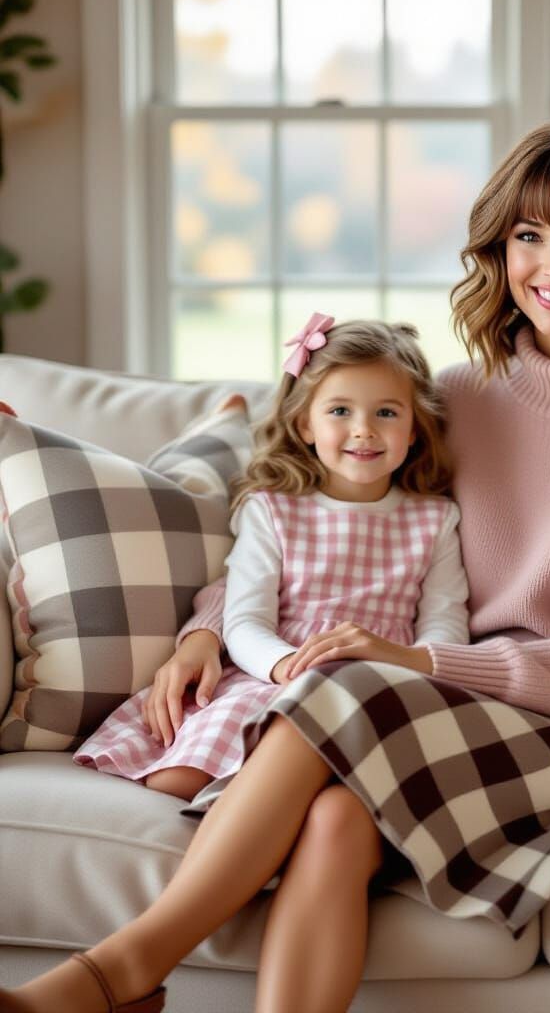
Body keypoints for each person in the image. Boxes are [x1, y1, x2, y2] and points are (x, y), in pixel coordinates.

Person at [1, 118, 550, 1013]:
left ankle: (115, 975)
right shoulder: (458, 396)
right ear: (497, 250)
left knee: (346, 682)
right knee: (333, 817)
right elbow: (333, 525)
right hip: (412, 707)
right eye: (528, 235)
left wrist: (422, 663)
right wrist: (207, 631)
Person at [73, 317, 469, 804]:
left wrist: (409, 666)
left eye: (386, 413)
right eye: (340, 410)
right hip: (276, 671)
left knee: (334, 780)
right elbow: (244, 620)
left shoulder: (435, 519)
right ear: (305, 424)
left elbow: (445, 623)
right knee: (175, 782)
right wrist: (284, 667)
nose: (364, 431)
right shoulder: (273, 508)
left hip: (380, 676)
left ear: (415, 428)